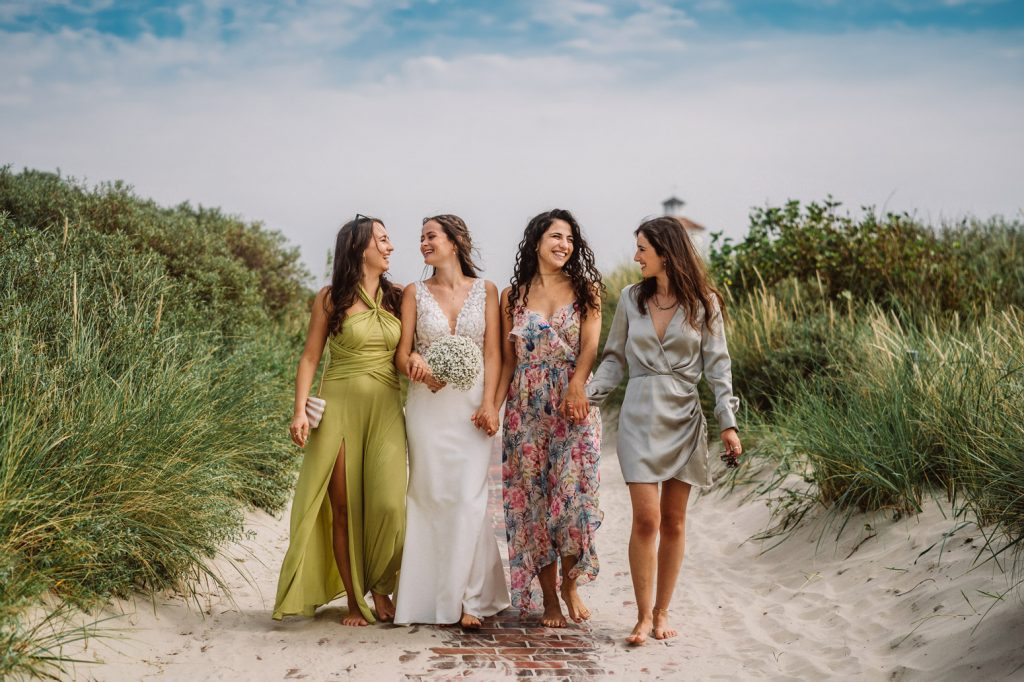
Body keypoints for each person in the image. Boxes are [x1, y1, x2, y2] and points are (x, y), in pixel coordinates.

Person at [587, 216, 742, 645]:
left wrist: (728, 424)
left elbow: (720, 367)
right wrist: (589, 395)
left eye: (642, 249)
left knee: (674, 522)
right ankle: (640, 615)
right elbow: (615, 358)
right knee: (646, 518)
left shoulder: (704, 303)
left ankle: (662, 611)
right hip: (638, 416)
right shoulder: (630, 298)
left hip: (684, 417)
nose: (636, 257)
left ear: (666, 252)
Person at [273, 215, 407, 627]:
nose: (390, 247)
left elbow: (413, 352)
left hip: (386, 406)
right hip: (338, 409)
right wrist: (300, 410)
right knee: (344, 508)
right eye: (382, 240)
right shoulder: (330, 298)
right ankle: (355, 600)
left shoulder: (399, 298)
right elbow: (311, 356)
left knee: (388, 504)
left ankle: (381, 584)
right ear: (359, 247)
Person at [394, 215, 510, 627]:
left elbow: (494, 354)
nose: (423, 243)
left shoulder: (487, 291)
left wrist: (492, 405)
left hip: (473, 407)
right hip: (427, 406)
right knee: (429, 495)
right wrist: (416, 363)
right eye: (421, 237)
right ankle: (426, 596)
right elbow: (402, 353)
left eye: (431, 236)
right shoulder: (413, 293)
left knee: (469, 497)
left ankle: (470, 598)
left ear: (455, 241)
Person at [492, 208, 604, 628]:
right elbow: (507, 361)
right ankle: (548, 601)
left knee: (573, 498)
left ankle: (570, 585)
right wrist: (494, 407)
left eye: (571, 239)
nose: (564, 245)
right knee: (532, 504)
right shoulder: (513, 295)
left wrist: (577, 384)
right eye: (557, 236)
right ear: (536, 240)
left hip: (571, 404)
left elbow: (591, 346)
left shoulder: (587, 289)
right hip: (525, 407)